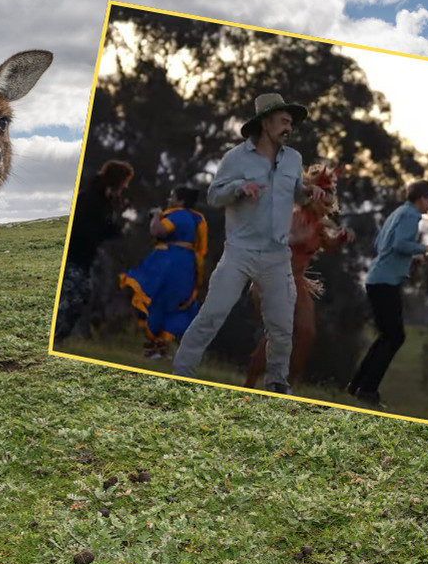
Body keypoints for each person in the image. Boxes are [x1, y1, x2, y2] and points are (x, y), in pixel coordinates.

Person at [171, 93, 324, 394]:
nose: (288, 128)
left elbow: (296, 193)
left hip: (278, 255)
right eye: (283, 121)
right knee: (212, 314)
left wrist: (310, 193)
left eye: (291, 123)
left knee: (281, 327)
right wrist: (240, 188)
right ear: (265, 122)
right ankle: (182, 372)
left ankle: (278, 383)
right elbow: (214, 195)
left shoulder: (293, 158)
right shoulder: (236, 158)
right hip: (240, 252)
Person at [347, 180, 428, 405]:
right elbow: (399, 244)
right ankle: (367, 390)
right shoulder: (411, 216)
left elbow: (383, 245)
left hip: (378, 279)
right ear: (421, 198)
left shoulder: (399, 212)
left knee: (387, 335)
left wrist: (411, 257)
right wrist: (425, 248)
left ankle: (357, 384)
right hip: (385, 282)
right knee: (395, 336)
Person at [119, 186, 207, 360]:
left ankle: (156, 347)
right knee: (176, 306)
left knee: (154, 300)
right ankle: (159, 349)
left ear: (180, 201)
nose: (169, 199)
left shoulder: (177, 215)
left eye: (172, 196)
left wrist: (156, 216)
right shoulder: (197, 219)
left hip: (167, 264)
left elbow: (157, 231)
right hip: (187, 267)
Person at [55, 160, 133, 344]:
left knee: (80, 297)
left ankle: (58, 337)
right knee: (74, 298)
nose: (126, 186)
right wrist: (114, 229)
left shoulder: (104, 200)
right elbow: (91, 229)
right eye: (125, 182)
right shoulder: (91, 199)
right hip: (74, 256)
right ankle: (54, 336)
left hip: (84, 258)